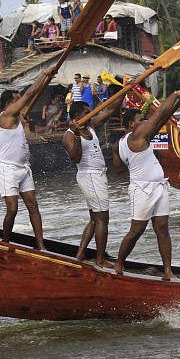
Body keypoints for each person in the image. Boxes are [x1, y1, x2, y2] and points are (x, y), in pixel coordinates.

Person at [111, 90, 180, 280]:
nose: (144, 123)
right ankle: (119, 263)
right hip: (141, 190)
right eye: (141, 120)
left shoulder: (118, 145)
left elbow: (119, 170)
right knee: (136, 230)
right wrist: (174, 95)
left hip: (159, 187)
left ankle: (168, 271)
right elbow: (160, 112)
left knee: (162, 228)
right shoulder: (136, 135)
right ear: (132, 124)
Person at [64, 98, 125, 267]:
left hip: (98, 175)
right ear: (77, 116)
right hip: (89, 176)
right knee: (102, 219)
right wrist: (77, 134)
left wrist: (124, 90)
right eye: (86, 112)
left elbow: (110, 110)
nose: (90, 115)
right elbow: (75, 157)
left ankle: (80, 254)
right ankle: (100, 260)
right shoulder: (68, 136)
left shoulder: (90, 124)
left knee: (94, 219)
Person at [0, 88, 46, 249]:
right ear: (8, 104)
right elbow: (30, 94)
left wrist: (24, 124)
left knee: (33, 204)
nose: (21, 104)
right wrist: (45, 75)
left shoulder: (19, 118)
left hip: (24, 168)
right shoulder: (5, 116)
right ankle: (5, 243)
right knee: (12, 209)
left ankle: (41, 246)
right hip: (7, 168)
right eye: (16, 101)